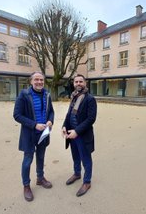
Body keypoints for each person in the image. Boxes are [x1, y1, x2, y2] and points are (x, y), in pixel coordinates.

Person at [13, 72, 54, 202]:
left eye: (41, 80)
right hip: (30, 134)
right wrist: (34, 125)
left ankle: (40, 178)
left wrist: (50, 121)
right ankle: (26, 185)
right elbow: (17, 115)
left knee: (41, 157)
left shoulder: (47, 95)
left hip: (43, 134)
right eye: (36, 80)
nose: (39, 82)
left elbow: (51, 111)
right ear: (31, 81)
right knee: (27, 161)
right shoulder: (24, 95)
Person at [62, 74, 97, 197]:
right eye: (76, 82)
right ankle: (77, 173)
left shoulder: (90, 99)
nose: (78, 84)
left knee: (86, 159)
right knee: (75, 156)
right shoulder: (74, 97)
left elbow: (91, 119)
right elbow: (69, 114)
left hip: (82, 135)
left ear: (85, 83)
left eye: (80, 81)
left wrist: (77, 131)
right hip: (72, 134)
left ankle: (87, 182)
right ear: (73, 83)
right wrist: (64, 126)